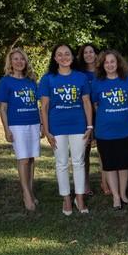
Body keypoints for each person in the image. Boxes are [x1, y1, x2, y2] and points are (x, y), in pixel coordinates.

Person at [39, 44, 92, 216]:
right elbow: (44, 107)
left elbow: (86, 102)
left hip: (78, 125)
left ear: (72, 57)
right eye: (59, 54)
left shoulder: (81, 77)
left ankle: (80, 197)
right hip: (57, 127)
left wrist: (90, 126)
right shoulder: (48, 79)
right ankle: (66, 199)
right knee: (61, 163)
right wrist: (46, 131)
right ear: (55, 58)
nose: (64, 57)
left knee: (78, 162)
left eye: (67, 54)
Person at [0, 48, 40, 212]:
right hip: (17, 125)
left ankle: (31, 190)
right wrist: (7, 130)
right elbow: (3, 108)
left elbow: (37, 105)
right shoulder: (5, 82)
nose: (19, 62)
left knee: (31, 158)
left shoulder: (31, 81)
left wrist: (41, 124)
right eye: (15, 59)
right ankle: (26, 195)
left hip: (33, 123)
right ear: (10, 62)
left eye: (22, 59)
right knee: (23, 159)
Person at [91, 50, 128, 210]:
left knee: (123, 164)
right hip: (105, 131)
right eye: (106, 62)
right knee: (110, 165)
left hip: (126, 129)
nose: (110, 65)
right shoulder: (97, 83)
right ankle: (115, 196)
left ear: (118, 63)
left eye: (112, 62)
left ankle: (123, 193)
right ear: (103, 65)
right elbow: (95, 105)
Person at [76, 43, 101, 196]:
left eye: (91, 52)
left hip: (101, 113)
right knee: (83, 151)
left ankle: (106, 182)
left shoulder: (102, 72)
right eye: (85, 52)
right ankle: (85, 185)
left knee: (103, 150)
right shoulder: (79, 74)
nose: (89, 55)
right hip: (84, 114)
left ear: (96, 54)